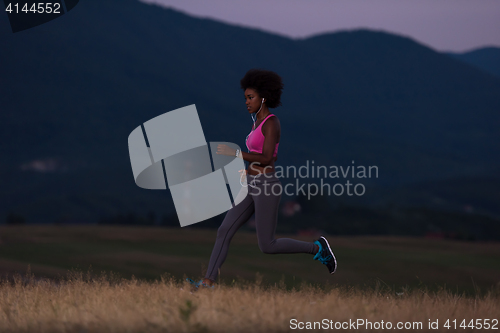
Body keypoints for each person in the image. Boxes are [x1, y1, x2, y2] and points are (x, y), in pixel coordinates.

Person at [187, 69, 336, 290]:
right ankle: (208, 282)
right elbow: (259, 158)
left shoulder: (271, 123)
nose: (246, 102)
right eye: (245, 98)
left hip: (267, 186)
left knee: (267, 245)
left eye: (250, 97)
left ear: (263, 98)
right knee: (224, 230)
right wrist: (247, 171)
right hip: (251, 184)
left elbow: (268, 158)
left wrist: (236, 153)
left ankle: (317, 249)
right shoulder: (256, 122)